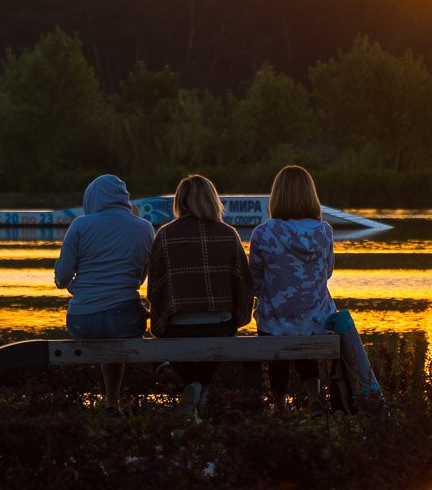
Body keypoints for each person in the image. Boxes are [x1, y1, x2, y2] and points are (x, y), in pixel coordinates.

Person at [147, 174, 254, 417]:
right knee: (224, 333)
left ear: (180, 201)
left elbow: (155, 287)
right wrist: (236, 314)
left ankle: (192, 386)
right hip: (220, 326)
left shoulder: (165, 234)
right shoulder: (228, 234)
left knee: (165, 340)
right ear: (213, 200)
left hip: (177, 327)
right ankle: (200, 388)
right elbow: (245, 284)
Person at [54, 174, 154, 414]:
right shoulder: (145, 228)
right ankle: (112, 402)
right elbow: (140, 278)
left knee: (103, 330)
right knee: (117, 331)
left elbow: (62, 277)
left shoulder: (80, 225)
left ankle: (106, 402)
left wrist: (75, 286)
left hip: (82, 320)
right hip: (126, 319)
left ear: (92, 198)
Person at [249, 165, 334, 413]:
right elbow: (327, 272)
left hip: (274, 322)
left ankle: (279, 403)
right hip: (316, 321)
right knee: (305, 321)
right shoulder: (325, 231)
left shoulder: (263, 233)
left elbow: (254, 281)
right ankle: (314, 398)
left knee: (275, 323)